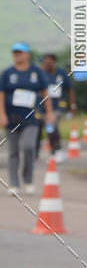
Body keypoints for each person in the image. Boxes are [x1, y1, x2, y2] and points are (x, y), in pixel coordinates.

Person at [0, 43, 55, 195]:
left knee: (29, 147)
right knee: (13, 151)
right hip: (11, 118)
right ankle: (14, 184)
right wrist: (1, 114)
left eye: (20, 53)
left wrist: (49, 112)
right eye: (15, 53)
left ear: (27, 54)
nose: (17, 55)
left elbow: (45, 92)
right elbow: (2, 94)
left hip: (32, 118)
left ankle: (28, 179)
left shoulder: (36, 72)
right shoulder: (7, 73)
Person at [37, 53, 76, 161]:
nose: (47, 65)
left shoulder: (62, 74)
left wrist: (72, 106)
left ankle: (56, 150)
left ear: (54, 62)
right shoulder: (41, 74)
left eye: (49, 62)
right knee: (49, 129)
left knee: (51, 125)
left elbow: (70, 90)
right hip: (44, 108)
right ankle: (53, 151)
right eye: (45, 63)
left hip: (59, 106)